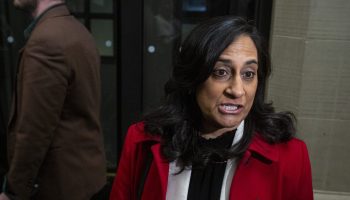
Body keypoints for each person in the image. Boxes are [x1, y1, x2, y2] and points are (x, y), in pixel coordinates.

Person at [110, 16, 313, 200]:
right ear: (193, 78)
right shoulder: (141, 141)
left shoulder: (292, 156)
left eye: (248, 74)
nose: (237, 90)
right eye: (221, 72)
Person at [0, 0, 106, 199]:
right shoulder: (77, 30)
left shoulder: (46, 40)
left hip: (58, 188)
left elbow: (33, 131)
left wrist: (14, 192)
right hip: (85, 181)